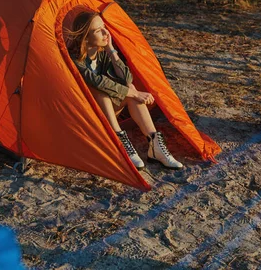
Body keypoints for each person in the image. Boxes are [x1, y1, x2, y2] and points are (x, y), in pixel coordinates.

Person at [65, 10, 183, 170]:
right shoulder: (74, 59)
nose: (105, 33)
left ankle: (155, 145)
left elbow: (127, 79)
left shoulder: (101, 54)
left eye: (104, 27)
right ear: (85, 36)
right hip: (84, 116)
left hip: (106, 113)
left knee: (130, 86)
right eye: (98, 30)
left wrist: (111, 49)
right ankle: (118, 141)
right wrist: (135, 93)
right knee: (102, 92)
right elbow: (98, 82)